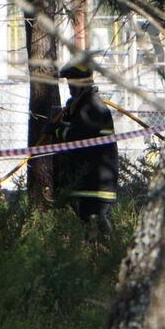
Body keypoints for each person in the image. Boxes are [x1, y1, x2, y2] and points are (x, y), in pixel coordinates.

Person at [52, 62, 118, 231]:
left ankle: (107, 255)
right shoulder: (81, 107)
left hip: (96, 184)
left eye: (72, 83)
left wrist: (56, 130)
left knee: (97, 230)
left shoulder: (93, 108)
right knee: (88, 230)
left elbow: (77, 137)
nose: (69, 87)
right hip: (85, 183)